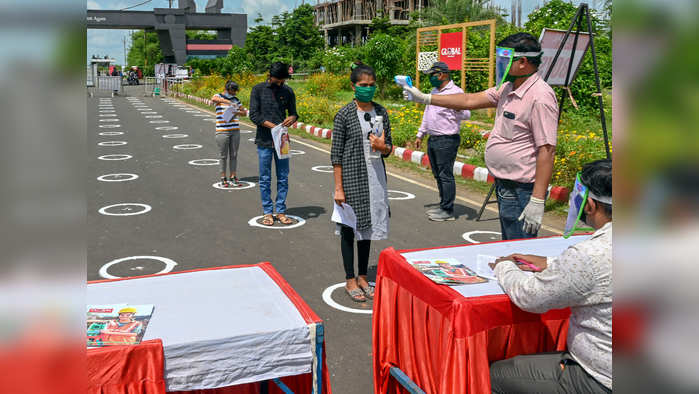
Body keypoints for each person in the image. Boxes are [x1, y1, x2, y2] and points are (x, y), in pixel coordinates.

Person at [401, 32, 558, 240]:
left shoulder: (540, 97)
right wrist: (426, 98)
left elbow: (546, 149)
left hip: (523, 190)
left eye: (504, 59)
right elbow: (468, 101)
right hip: (505, 184)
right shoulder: (507, 88)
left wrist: (537, 200)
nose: (499, 65)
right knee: (508, 245)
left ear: (522, 62)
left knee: (520, 252)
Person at [487, 159, 612, 393]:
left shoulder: (590, 254)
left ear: (590, 205)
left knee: (495, 376)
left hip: (598, 379)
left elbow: (530, 297)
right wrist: (552, 264)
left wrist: (504, 267)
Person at [331, 64, 393, 302]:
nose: (368, 89)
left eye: (371, 85)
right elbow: (336, 154)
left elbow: (389, 149)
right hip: (351, 179)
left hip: (375, 178)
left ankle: (363, 276)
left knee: (367, 229)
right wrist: (338, 187)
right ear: (353, 86)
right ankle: (350, 278)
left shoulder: (381, 112)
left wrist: (382, 147)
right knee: (349, 228)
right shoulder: (344, 115)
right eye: (363, 85)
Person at [415, 61, 471, 221]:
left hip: (447, 139)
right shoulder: (434, 91)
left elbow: (467, 114)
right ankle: (443, 204)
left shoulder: (456, 92)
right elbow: (427, 115)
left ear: (442, 75)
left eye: (433, 75)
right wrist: (420, 134)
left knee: (445, 175)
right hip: (433, 138)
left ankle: (448, 210)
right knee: (437, 174)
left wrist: (456, 107)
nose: (431, 78)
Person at [249, 62, 298, 226]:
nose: (280, 83)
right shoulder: (258, 90)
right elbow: (254, 116)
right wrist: (274, 127)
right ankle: (268, 212)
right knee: (265, 178)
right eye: (278, 80)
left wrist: (292, 118)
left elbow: (294, 113)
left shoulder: (288, 91)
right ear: (270, 76)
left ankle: (281, 210)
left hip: (282, 141)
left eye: (282, 80)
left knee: (283, 177)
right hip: (264, 140)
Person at [211, 81, 247, 187]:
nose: (235, 93)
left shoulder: (236, 100)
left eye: (236, 91)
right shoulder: (218, 96)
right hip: (222, 131)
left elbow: (244, 112)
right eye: (233, 90)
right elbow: (214, 99)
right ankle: (223, 177)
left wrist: (236, 112)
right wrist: (228, 102)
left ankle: (233, 176)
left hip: (235, 130)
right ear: (228, 89)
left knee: (234, 155)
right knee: (223, 156)